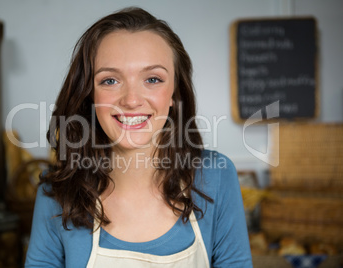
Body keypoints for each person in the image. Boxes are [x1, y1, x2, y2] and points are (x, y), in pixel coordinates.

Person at [25, 7, 252, 268]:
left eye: (153, 79)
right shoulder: (57, 193)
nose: (131, 100)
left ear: (175, 95)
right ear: (89, 95)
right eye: (110, 80)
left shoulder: (216, 177)